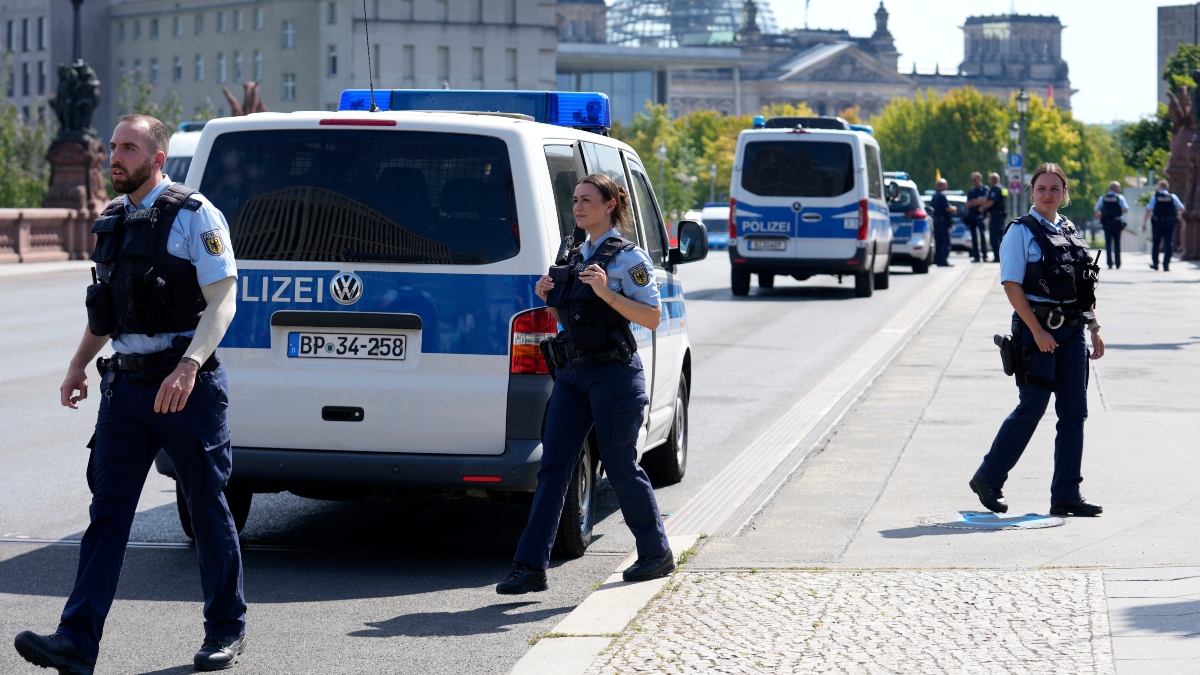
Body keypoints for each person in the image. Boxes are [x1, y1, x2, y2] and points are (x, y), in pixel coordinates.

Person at [13, 115, 246, 674]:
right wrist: (76, 366)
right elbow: (107, 312)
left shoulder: (196, 214)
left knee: (207, 508)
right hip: (126, 389)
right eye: (113, 147)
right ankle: (76, 642)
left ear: (157, 158)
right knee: (108, 514)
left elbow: (224, 301)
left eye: (128, 148)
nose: (114, 156)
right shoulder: (112, 218)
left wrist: (189, 367)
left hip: (185, 388)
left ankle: (225, 630)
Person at [496, 173, 673, 594]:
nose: (578, 207)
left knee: (620, 467)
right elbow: (571, 319)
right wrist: (549, 296)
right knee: (554, 467)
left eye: (587, 200)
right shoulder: (572, 253)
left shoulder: (629, 259)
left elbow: (651, 317)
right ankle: (530, 566)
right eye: (575, 200)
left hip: (615, 374)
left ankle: (655, 553)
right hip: (573, 373)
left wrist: (608, 292)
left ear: (609, 205)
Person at [970, 163, 1105, 518]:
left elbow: (1084, 285)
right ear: (1032, 192)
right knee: (1032, 406)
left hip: (1073, 330)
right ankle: (988, 477)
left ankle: (1066, 494)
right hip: (1037, 330)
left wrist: (1094, 326)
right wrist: (1037, 330)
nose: (1048, 194)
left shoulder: (1070, 230)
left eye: (1054, 188)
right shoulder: (1020, 232)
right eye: (1041, 188)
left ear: (1064, 193)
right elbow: (1011, 286)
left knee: (1074, 412)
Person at [1142, 179, 1185, 271]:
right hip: (1170, 222)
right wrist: (1172, 211)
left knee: (1156, 244)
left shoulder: (1155, 197)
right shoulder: (1172, 197)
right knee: (1169, 244)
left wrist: (1144, 223)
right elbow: (1181, 208)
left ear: (1160, 187)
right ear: (1167, 187)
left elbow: (1148, 210)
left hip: (1157, 223)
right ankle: (1166, 265)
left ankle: (1155, 264)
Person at [1092, 181, 1129, 270]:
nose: (1119, 189)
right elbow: (1125, 209)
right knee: (1117, 243)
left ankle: (1109, 263)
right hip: (1117, 223)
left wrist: (1101, 216)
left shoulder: (1103, 198)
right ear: (1115, 188)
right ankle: (1118, 263)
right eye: (1119, 187)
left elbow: (1096, 209)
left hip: (1107, 222)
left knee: (1108, 243)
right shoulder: (1119, 197)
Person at [928, 179, 957, 267]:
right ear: (940, 186)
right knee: (945, 241)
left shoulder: (934, 195)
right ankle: (944, 260)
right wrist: (954, 209)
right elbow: (948, 208)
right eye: (945, 185)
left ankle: (938, 260)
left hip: (936, 221)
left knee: (938, 241)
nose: (946, 187)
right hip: (942, 222)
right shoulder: (941, 195)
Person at [964, 172, 990, 262]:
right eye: (973, 179)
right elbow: (967, 203)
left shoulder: (985, 189)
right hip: (972, 216)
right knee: (974, 237)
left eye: (976, 179)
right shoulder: (971, 190)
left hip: (981, 216)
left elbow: (984, 201)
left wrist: (974, 201)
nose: (974, 181)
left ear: (980, 179)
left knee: (982, 236)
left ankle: (985, 255)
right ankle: (976, 256)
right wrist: (978, 201)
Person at [983, 173, 1008, 263]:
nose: (989, 181)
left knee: (995, 237)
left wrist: (983, 208)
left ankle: (997, 257)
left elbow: (992, 201)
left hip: (996, 217)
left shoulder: (995, 189)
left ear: (994, 180)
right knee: (1000, 237)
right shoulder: (1002, 188)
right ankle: (1002, 257)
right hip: (1000, 216)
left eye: (990, 179)